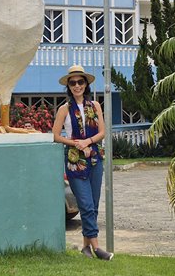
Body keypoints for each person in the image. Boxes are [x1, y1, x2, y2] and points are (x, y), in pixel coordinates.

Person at [52, 64, 114, 261]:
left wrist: (88, 141)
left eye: (80, 82)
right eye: (72, 83)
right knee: (85, 205)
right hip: (74, 161)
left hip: (95, 158)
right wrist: (75, 143)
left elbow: (103, 132)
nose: (77, 86)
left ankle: (85, 248)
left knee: (93, 205)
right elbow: (55, 136)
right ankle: (97, 248)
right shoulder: (64, 109)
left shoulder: (95, 106)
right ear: (68, 86)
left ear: (86, 84)